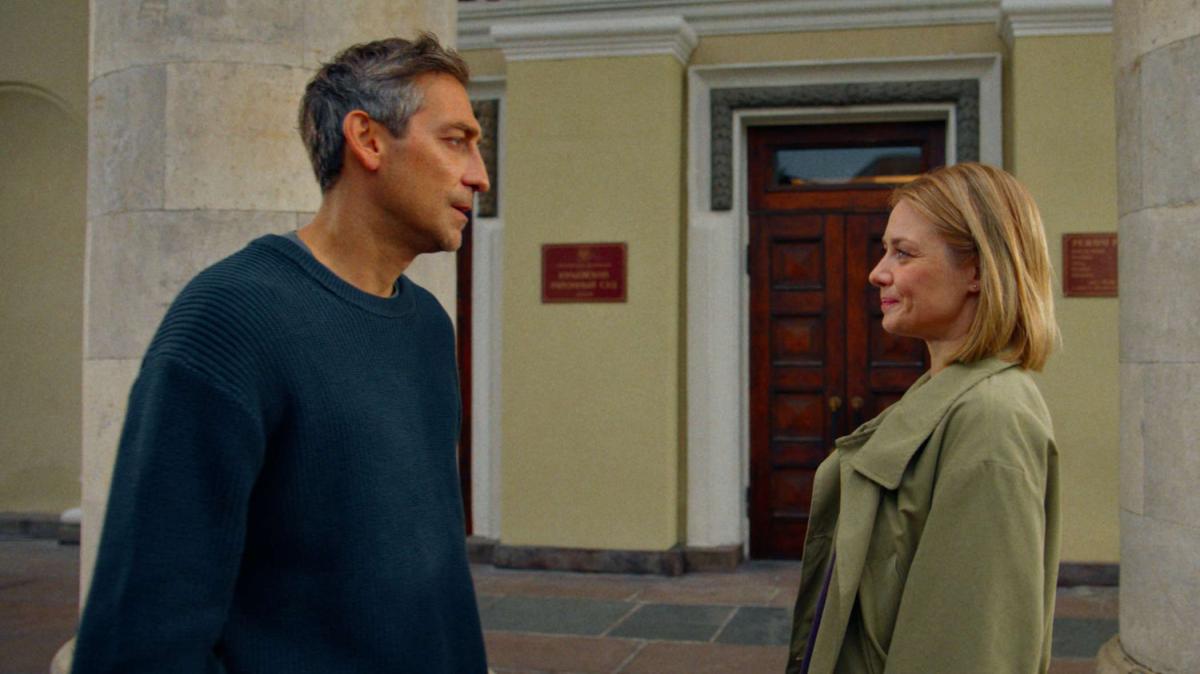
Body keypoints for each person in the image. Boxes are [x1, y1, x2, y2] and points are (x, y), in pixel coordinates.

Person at [72, 34, 491, 673]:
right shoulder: (230, 320)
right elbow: (144, 630)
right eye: (456, 140)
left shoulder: (428, 326)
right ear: (368, 139)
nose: (479, 175)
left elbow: (429, 579)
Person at [786, 163, 1061, 673]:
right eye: (885, 250)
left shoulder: (991, 418)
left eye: (903, 253)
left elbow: (970, 651)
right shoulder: (947, 392)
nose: (877, 272)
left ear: (978, 270)